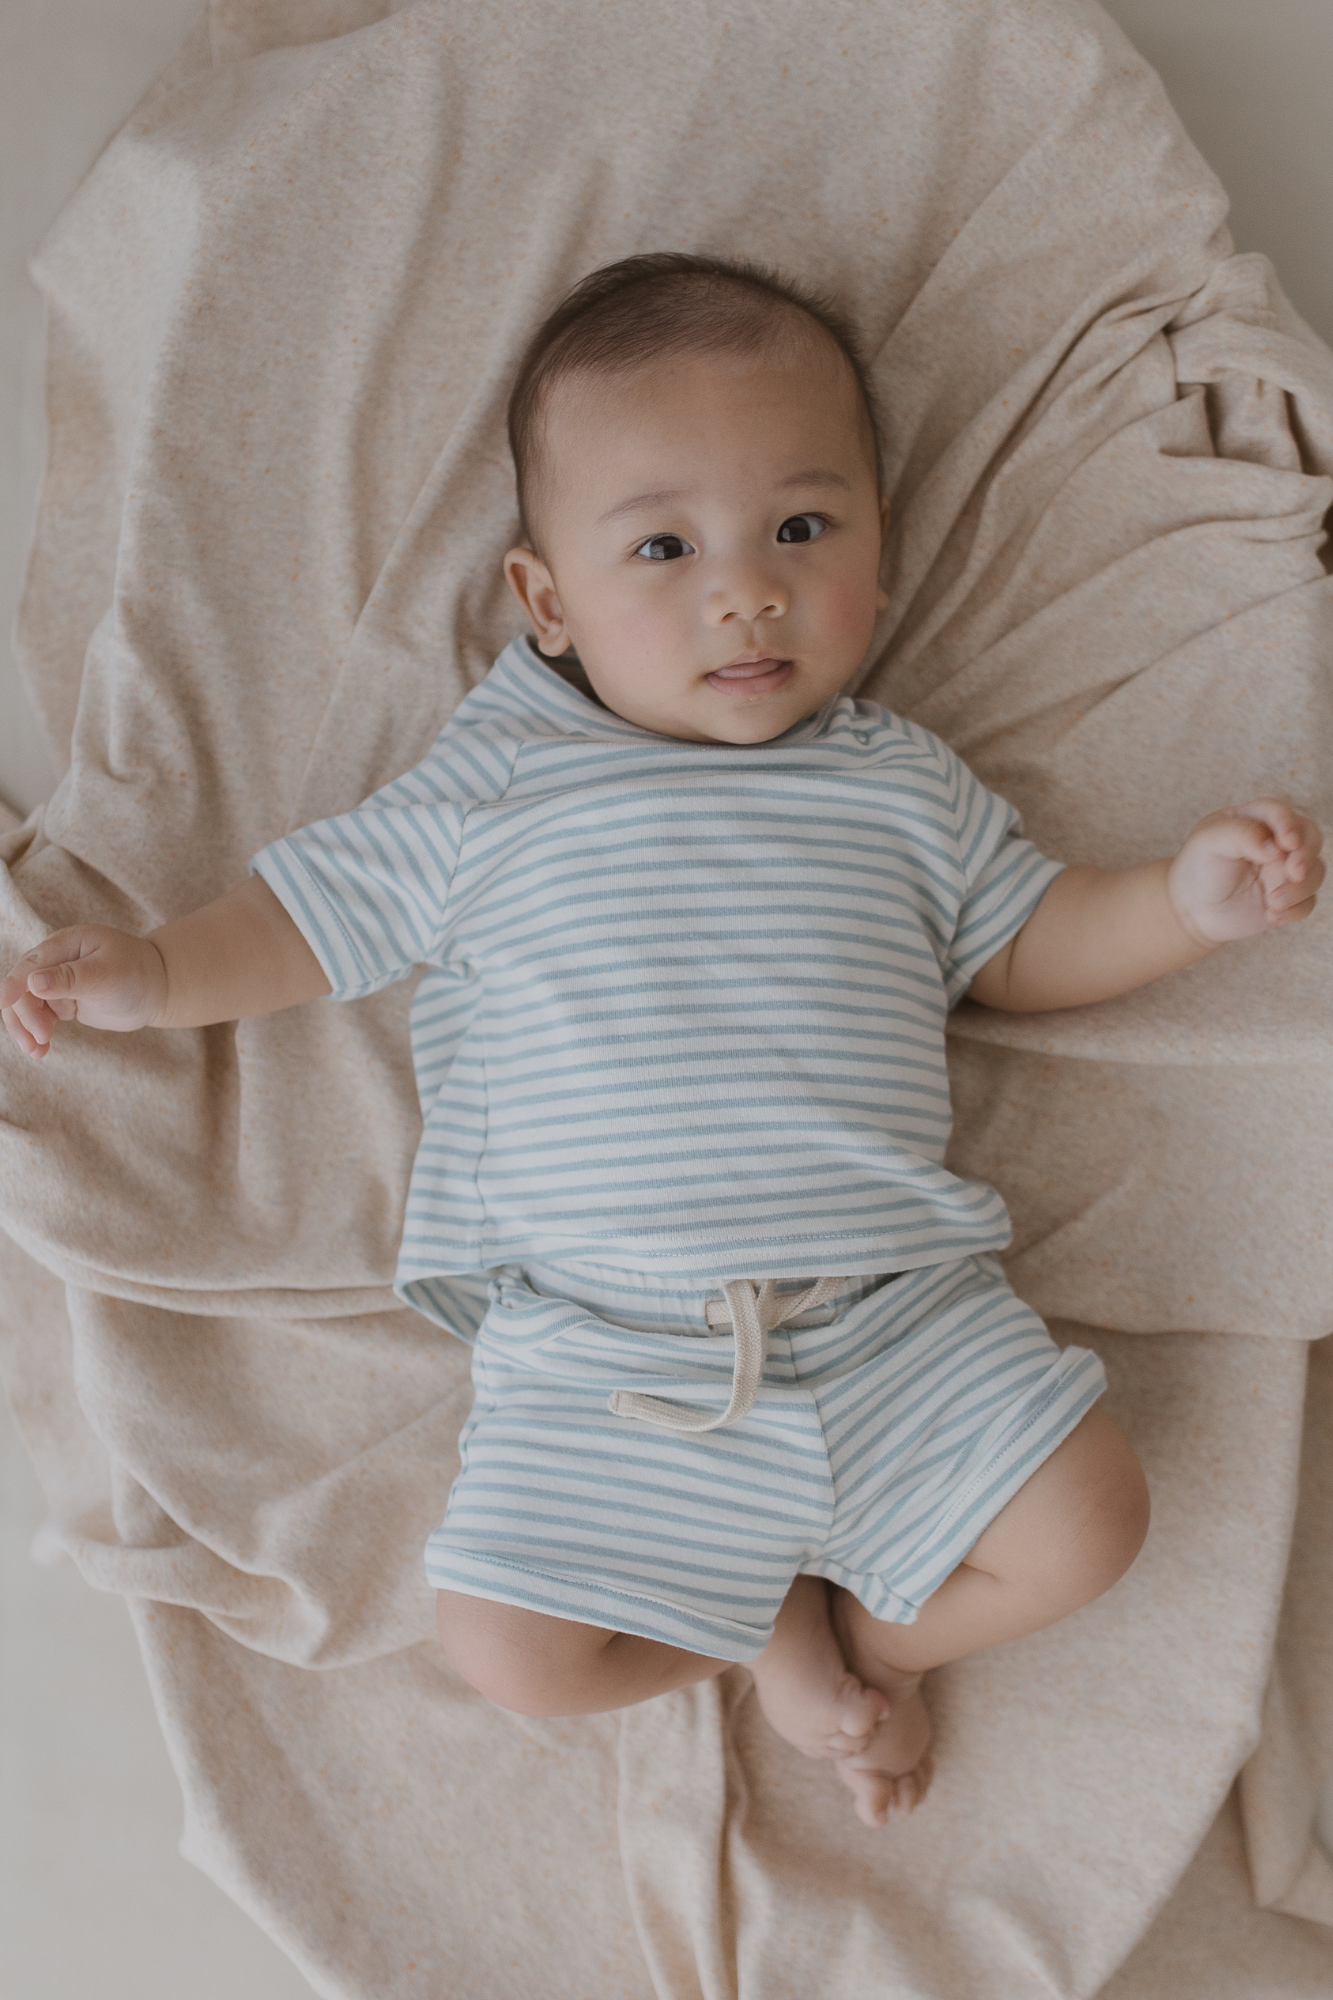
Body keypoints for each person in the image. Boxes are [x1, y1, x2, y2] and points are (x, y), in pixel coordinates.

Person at [1, 255, 1322, 1829]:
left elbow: (1029, 944)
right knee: (512, 1649)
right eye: (663, 546)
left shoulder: (900, 785)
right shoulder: (499, 786)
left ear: (880, 563)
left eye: (804, 530)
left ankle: (865, 1630)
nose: (745, 588)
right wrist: (148, 972)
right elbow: (303, 921)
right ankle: (761, 1636)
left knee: (1093, 1525)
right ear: (548, 598)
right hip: (613, 1347)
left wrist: (1185, 903)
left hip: (894, 1313)